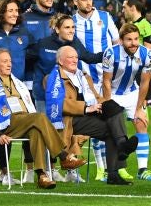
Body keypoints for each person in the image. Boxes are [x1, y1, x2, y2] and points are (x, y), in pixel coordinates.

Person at [0, 48, 86, 189]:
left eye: (10, 61)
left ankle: (41, 175)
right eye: (4, 61)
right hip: (5, 123)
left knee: (36, 130)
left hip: (24, 120)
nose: (9, 64)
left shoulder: (16, 81)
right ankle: (63, 156)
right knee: (39, 118)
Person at [26, 13, 103, 182]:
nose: (71, 30)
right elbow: (26, 60)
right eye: (67, 27)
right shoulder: (43, 44)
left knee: (67, 131)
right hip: (43, 95)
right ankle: (48, 170)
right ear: (56, 29)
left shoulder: (75, 43)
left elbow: (89, 57)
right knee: (47, 132)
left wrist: (110, 53)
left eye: (73, 27)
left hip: (67, 97)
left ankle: (69, 170)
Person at [44, 46, 137, 186]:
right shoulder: (53, 78)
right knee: (113, 124)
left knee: (113, 108)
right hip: (70, 119)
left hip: (88, 115)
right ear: (60, 61)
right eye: (70, 57)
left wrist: (101, 105)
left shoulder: (83, 76)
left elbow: (96, 96)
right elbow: (59, 104)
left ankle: (113, 172)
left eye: (76, 57)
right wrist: (86, 108)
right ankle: (122, 146)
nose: (75, 60)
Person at [72, 0, 119, 179]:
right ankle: (101, 168)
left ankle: (112, 166)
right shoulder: (72, 22)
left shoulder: (105, 17)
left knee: (112, 118)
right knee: (97, 119)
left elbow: (116, 42)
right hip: (86, 78)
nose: (89, 3)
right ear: (75, 2)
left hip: (108, 77)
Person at [102, 23, 151, 182]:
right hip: (112, 93)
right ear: (121, 40)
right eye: (128, 40)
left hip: (132, 92)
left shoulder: (146, 54)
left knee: (141, 123)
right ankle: (108, 171)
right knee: (110, 130)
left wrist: (139, 108)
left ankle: (143, 170)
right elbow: (106, 81)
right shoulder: (111, 53)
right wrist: (107, 103)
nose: (133, 43)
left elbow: (145, 82)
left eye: (135, 39)